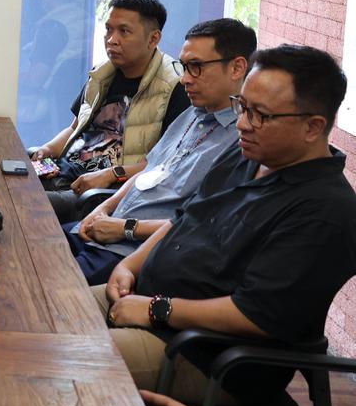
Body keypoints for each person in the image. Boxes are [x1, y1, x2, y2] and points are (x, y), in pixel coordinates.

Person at [98, 45, 356, 406]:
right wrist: (129, 265)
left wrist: (158, 308)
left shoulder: (326, 211)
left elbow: (255, 313)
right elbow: (185, 218)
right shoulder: (246, 154)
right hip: (145, 300)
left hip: (202, 354)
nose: (242, 124)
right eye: (242, 106)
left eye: (260, 115)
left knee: (71, 360)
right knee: (49, 314)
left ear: (313, 126)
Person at [65, 18, 255, 284]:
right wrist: (103, 210)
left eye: (196, 67)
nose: (185, 79)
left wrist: (123, 228)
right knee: (27, 246)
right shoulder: (192, 114)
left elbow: (198, 225)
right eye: (184, 67)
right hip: (104, 230)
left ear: (237, 68)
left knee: (44, 286)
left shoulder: (245, 142)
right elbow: (148, 172)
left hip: (132, 253)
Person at [31, 0, 189, 223]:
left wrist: (110, 174)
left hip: (100, 193)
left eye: (124, 31)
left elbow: (166, 165)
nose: (111, 39)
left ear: (153, 39)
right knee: (6, 177)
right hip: (63, 172)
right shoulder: (102, 74)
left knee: (25, 204)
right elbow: (74, 128)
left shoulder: (175, 86)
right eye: (108, 29)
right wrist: (47, 149)